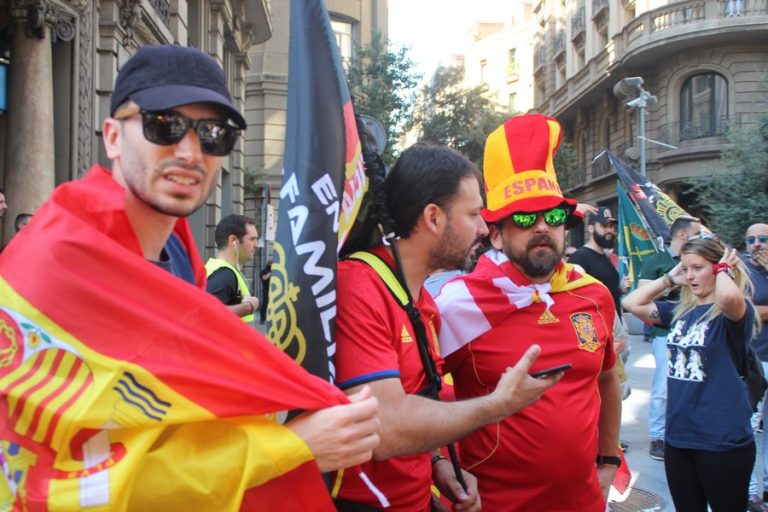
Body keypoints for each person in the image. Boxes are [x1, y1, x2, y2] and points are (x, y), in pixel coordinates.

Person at [0, 45, 381, 511]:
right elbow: (58, 481)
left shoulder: (181, 255)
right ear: (113, 137)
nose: (189, 151)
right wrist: (291, 447)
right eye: (164, 125)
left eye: (213, 134)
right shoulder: (53, 266)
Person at [333, 142, 561, 511]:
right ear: (433, 218)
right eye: (473, 214)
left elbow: (418, 402)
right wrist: (499, 404)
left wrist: (438, 464)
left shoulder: (423, 302)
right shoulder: (357, 286)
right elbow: (386, 428)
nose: (484, 229)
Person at [436, 114, 622, 511]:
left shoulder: (593, 295)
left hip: (583, 502)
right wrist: (439, 463)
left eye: (553, 217)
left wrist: (609, 460)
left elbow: (607, 379)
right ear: (496, 234)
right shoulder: (460, 304)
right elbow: (417, 395)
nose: (541, 227)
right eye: (524, 218)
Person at [623, 238, 758, 512]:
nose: (691, 276)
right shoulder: (679, 312)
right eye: (686, 268)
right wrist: (671, 278)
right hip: (679, 437)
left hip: (721, 439)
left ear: (718, 269)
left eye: (698, 268)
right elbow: (631, 302)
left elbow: (728, 298)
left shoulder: (733, 312)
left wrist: (723, 270)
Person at [637, 215, 702, 460]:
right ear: (682, 234)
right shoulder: (656, 260)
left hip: (696, 332)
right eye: (697, 233)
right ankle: (658, 437)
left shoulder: (697, 259)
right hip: (666, 332)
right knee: (663, 387)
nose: (701, 237)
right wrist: (673, 281)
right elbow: (642, 295)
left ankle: (685, 432)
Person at [744, 223, 768, 511]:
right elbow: (747, 310)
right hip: (755, 359)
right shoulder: (744, 272)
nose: (757, 244)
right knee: (751, 428)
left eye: (763, 239)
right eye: (751, 240)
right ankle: (751, 492)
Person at [569, 207, 631, 316]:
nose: (609, 230)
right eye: (604, 226)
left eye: (611, 226)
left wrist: (620, 290)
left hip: (614, 322)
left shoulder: (605, 257)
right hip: (596, 323)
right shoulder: (579, 258)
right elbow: (572, 297)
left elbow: (606, 293)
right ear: (591, 228)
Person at [205, 214, 260, 322]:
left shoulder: (215, 268)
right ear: (233, 240)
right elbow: (207, 313)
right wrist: (249, 306)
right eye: (252, 239)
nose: (257, 245)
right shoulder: (224, 275)